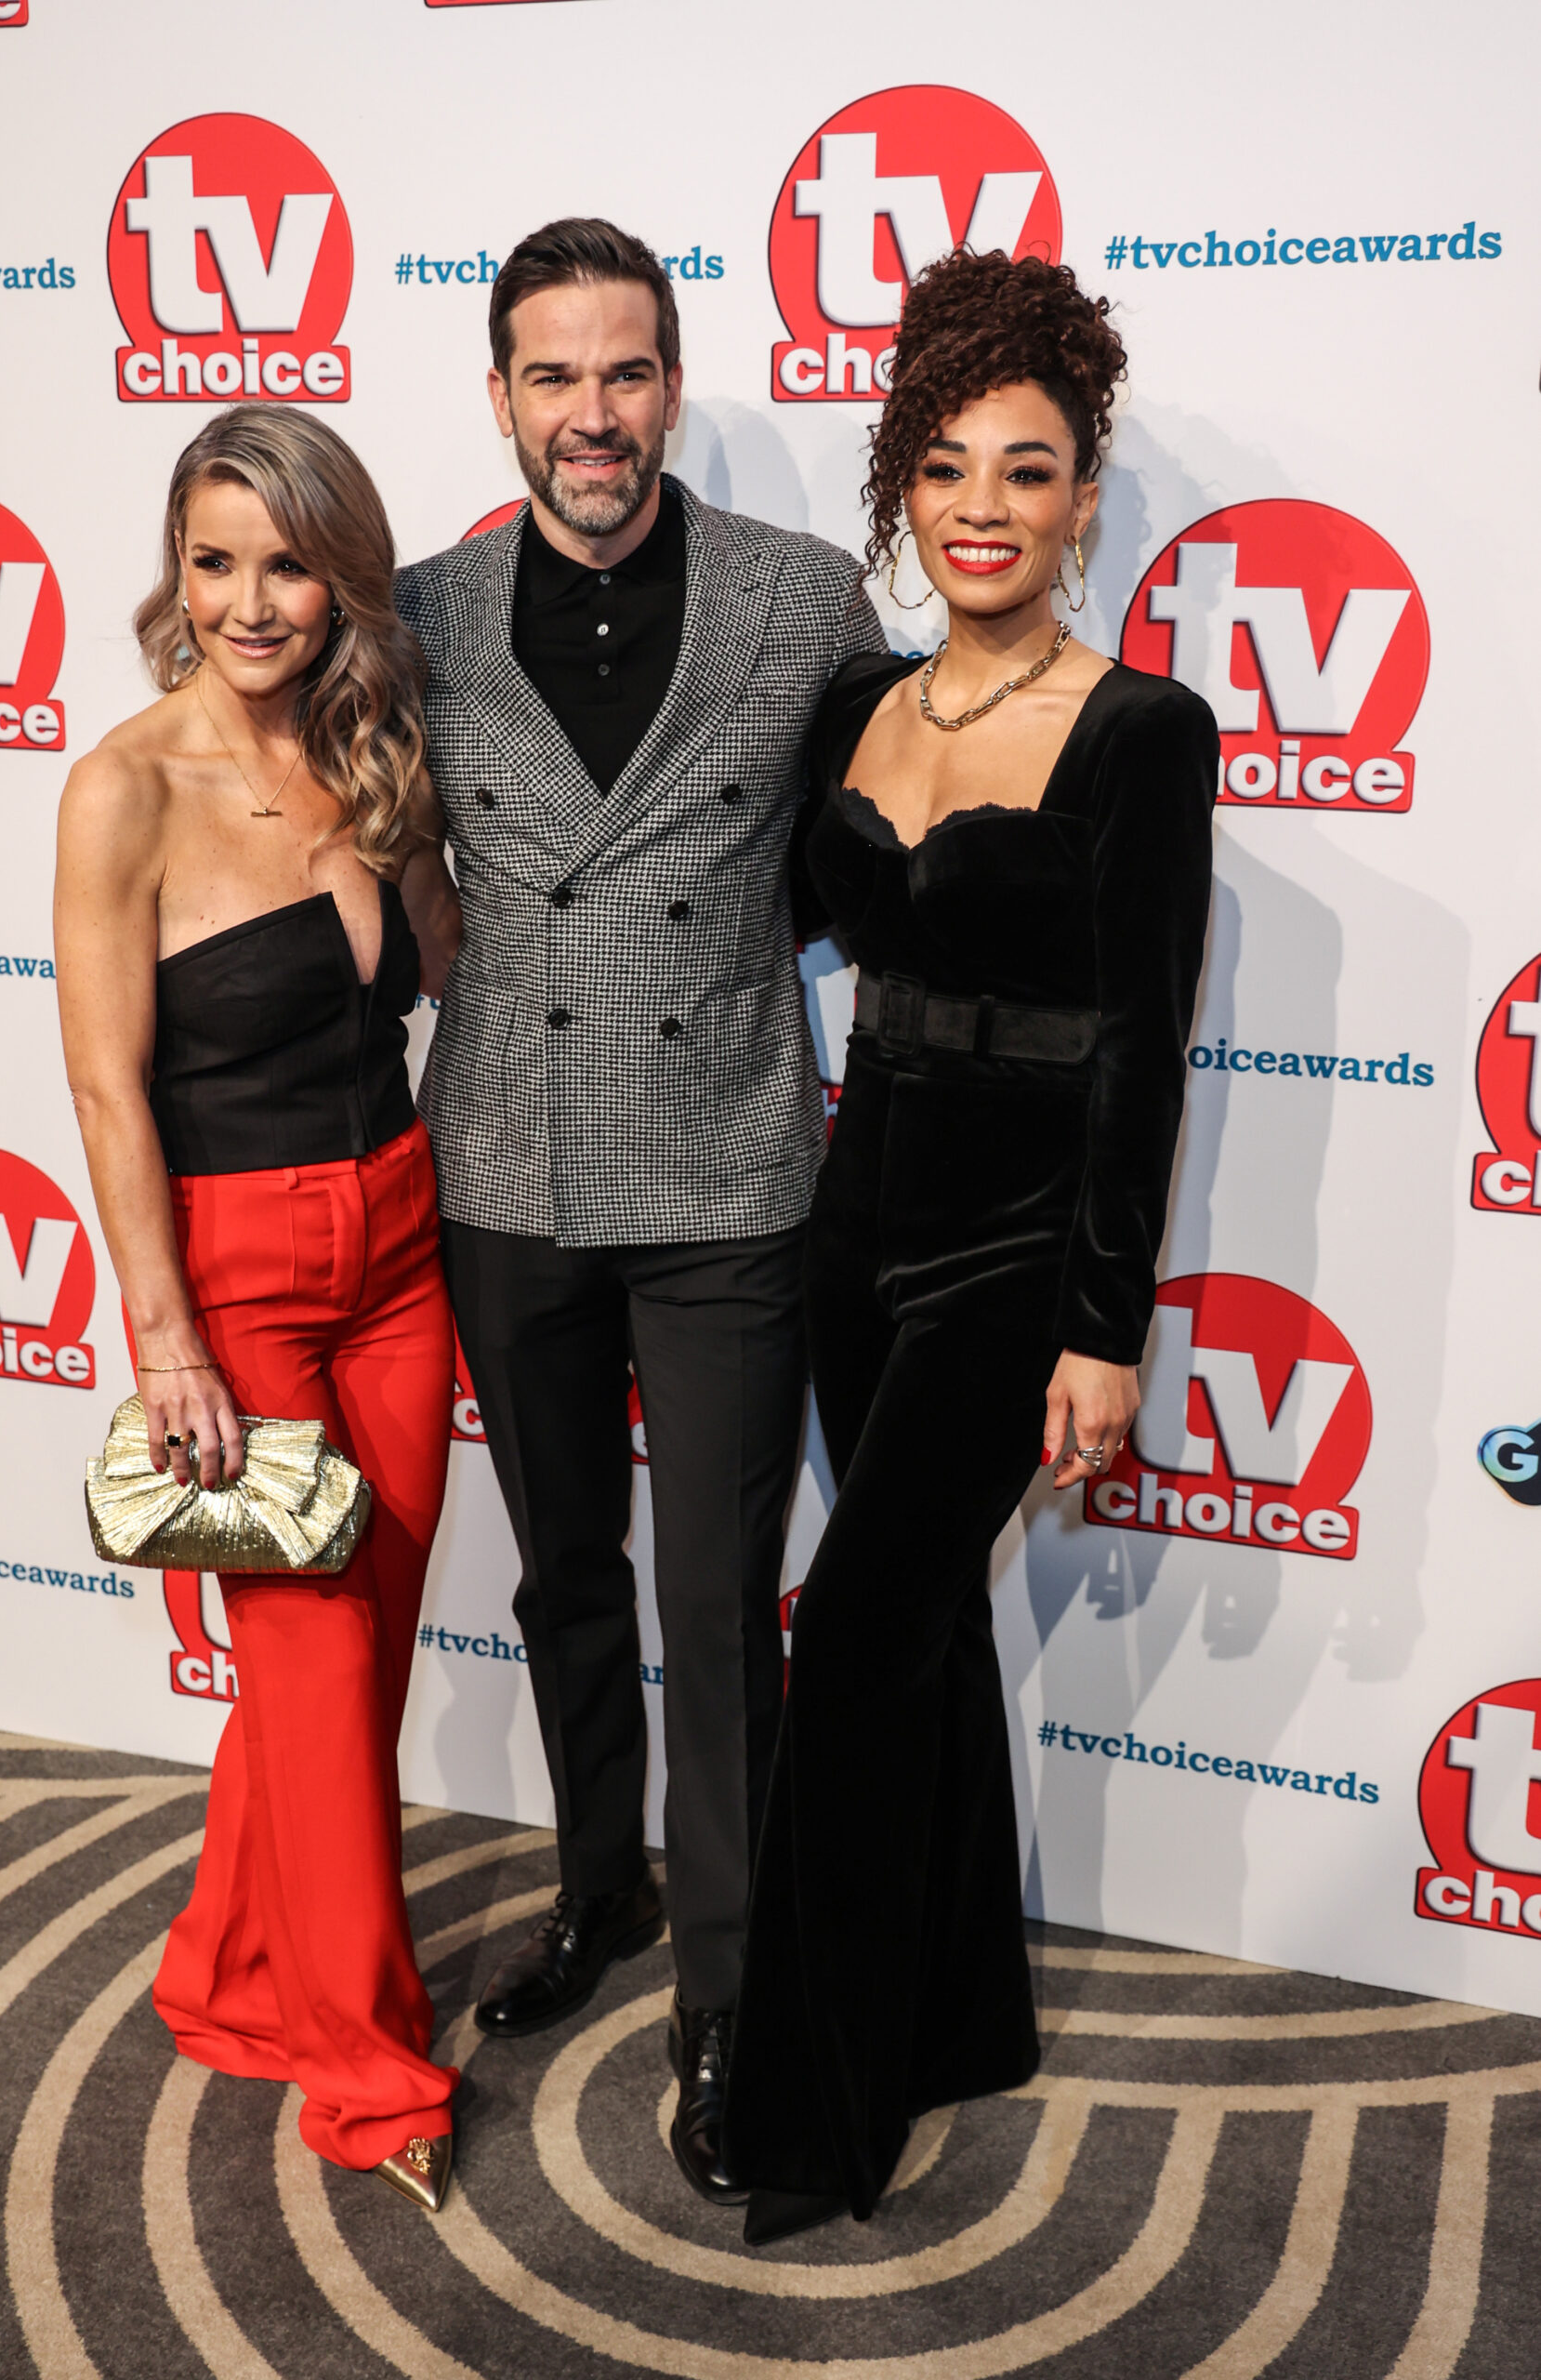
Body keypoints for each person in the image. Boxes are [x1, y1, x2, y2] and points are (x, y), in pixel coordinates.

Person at [724, 249, 1218, 2243]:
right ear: (901, 495)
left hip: (1016, 1248)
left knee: (846, 1635)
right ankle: (961, 2015)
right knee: (918, 1647)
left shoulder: (1144, 730)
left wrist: (1104, 1328)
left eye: (1030, 467)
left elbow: (1141, 1048)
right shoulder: (858, 695)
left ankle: (807, 2117)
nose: (986, 506)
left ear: (1089, 495)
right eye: (947, 468)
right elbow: (759, 920)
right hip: (858, 1216)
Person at [393, 218, 885, 2205]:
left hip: (727, 1166)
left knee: (713, 1597)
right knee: (566, 1577)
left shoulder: (804, 595)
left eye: (624, 372)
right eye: (552, 376)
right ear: (501, 393)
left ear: (671, 384)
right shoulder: (420, 608)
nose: (591, 415)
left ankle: (730, 1989)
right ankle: (599, 1889)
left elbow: (859, 848)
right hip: (510, 1164)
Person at [54, 404, 464, 2215]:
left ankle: (226, 1963)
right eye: (213, 559)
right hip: (240, 1289)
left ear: (339, 573)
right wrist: (165, 1344)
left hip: (404, 1251)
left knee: (343, 1690)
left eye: (286, 560)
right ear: (176, 567)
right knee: (311, 1673)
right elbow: (105, 1091)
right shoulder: (122, 786)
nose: (248, 598)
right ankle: (371, 2081)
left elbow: (445, 974)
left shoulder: (374, 754)